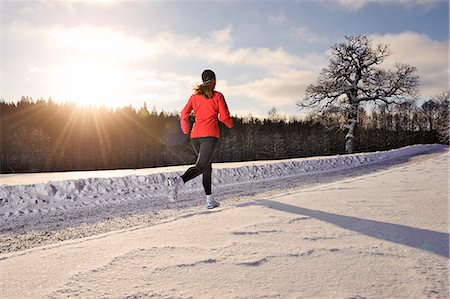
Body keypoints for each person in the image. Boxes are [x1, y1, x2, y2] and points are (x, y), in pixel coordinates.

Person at [167, 69, 233, 209]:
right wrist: (229, 124)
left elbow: (184, 113)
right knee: (202, 165)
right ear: (214, 81)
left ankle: (209, 199)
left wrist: (186, 130)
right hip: (210, 136)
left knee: (207, 166)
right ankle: (179, 180)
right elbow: (225, 116)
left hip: (195, 137)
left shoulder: (194, 97)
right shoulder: (218, 96)